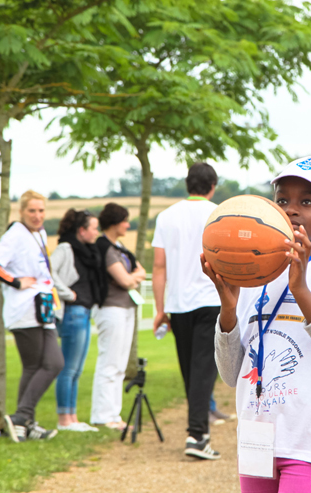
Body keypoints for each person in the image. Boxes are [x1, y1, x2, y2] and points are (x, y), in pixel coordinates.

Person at [210, 156, 311, 493]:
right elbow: (229, 374)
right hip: (257, 439)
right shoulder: (253, 275)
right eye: (283, 200)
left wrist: (301, 289)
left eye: (306, 201)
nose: (292, 209)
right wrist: (228, 311)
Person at [0, 190, 62, 443]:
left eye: (41, 211)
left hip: (43, 308)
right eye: (32, 211)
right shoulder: (15, 235)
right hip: (24, 310)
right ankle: (21, 418)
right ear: (21, 212)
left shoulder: (39, 233)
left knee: (44, 364)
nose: (37, 216)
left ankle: (25, 423)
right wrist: (15, 281)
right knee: (48, 364)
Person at [152, 163, 222, 460]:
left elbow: (158, 267)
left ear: (187, 184)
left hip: (178, 304)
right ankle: (197, 435)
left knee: (190, 370)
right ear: (213, 186)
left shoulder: (166, 216)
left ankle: (198, 431)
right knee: (204, 371)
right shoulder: (220, 214)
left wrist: (159, 309)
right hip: (210, 299)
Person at [91, 203, 146, 429]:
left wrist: (133, 277)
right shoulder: (104, 247)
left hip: (126, 307)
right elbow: (125, 280)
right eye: (124, 220)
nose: (128, 224)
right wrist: (133, 278)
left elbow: (139, 271)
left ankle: (114, 415)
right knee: (110, 362)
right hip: (110, 308)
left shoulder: (119, 246)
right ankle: (102, 415)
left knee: (120, 364)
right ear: (114, 223)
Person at [51, 209, 103, 432]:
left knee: (76, 369)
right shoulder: (66, 248)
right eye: (93, 228)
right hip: (72, 312)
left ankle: (71, 418)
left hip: (83, 312)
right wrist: (67, 293)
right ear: (82, 230)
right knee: (68, 368)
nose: (96, 232)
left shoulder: (87, 252)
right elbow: (48, 272)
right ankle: (64, 419)